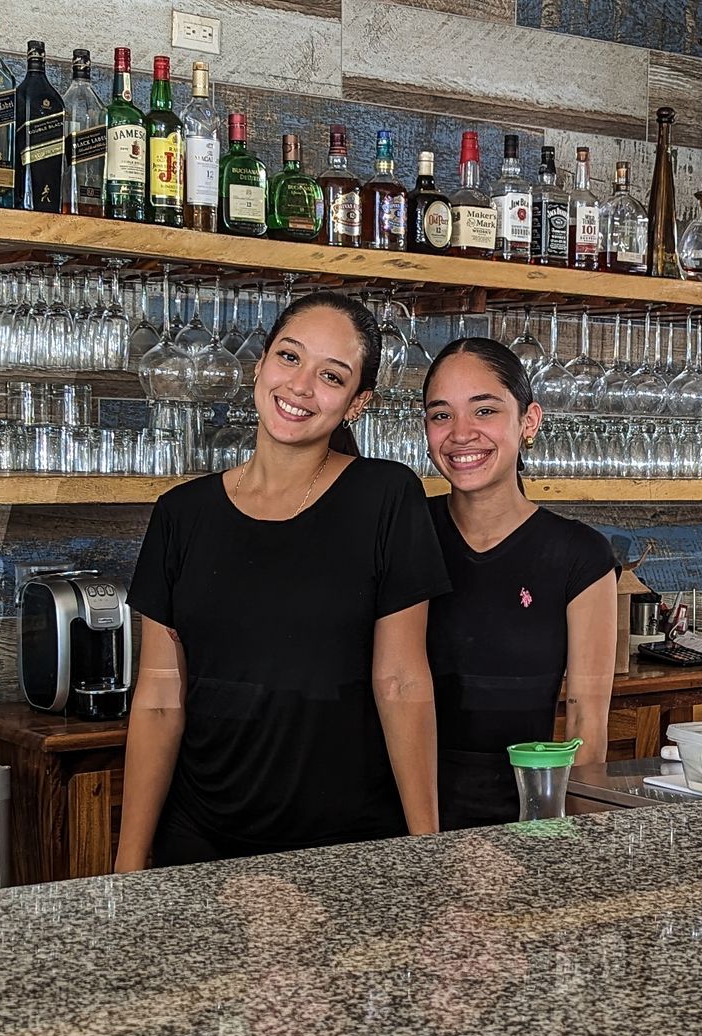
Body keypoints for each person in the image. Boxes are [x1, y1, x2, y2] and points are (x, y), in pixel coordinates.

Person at [117, 292, 450, 869]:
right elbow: (159, 701)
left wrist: (426, 853)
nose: (300, 387)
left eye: (331, 375)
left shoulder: (387, 497)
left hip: (348, 850)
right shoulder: (181, 515)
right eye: (290, 358)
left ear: (356, 403)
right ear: (260, 364)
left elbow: (400, 681)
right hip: (200, 844)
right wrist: (126, 868)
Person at [421, 337, 617, 829]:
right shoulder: (402, 534)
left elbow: (586, 727)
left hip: (526, 821)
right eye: (440, 415)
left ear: (529, 421)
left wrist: (572, 848)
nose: (461, 434)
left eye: (484, 411)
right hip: (403, 817)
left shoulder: (580, 555)